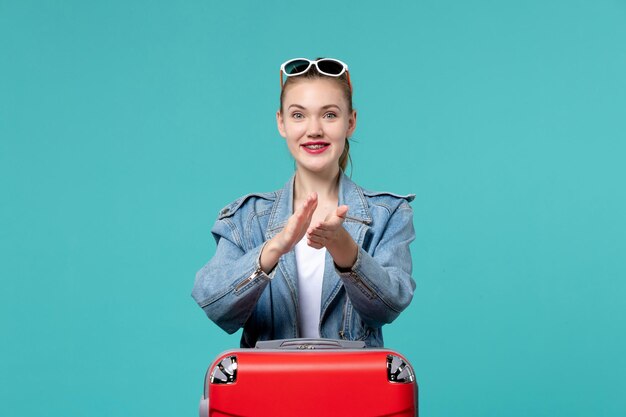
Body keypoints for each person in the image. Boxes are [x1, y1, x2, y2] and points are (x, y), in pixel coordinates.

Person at [192, 57, 416, 348]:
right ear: (281, 123)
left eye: (329, 115)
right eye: (298, 115)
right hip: (269, 391)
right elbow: (214, 305)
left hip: (353, 391)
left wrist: (343, 248)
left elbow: (388, 308)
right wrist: (275, 247)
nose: (314, 130)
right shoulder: (246, 219)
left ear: (351, 122)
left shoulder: (388, 214)